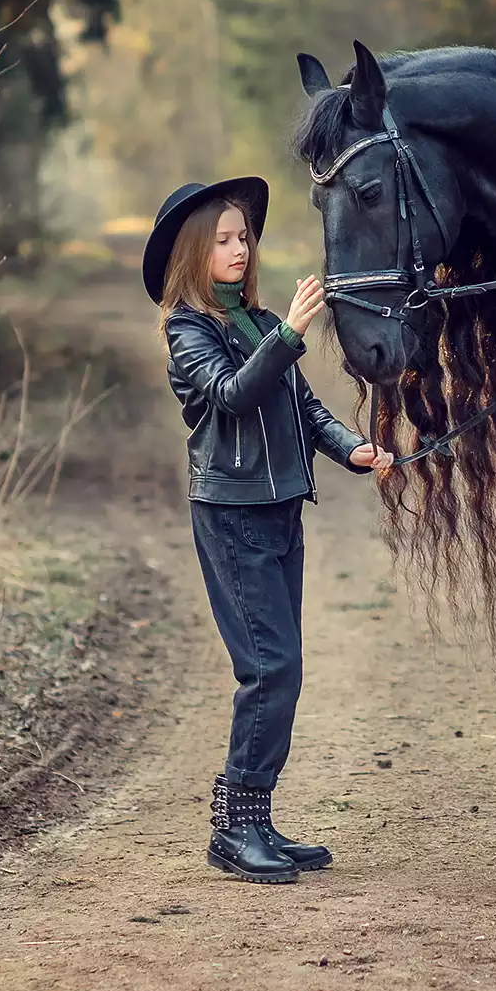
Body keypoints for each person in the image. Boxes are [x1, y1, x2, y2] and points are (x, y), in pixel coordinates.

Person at [143, 176, 393, 884]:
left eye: (244, 236)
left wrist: (352, 449)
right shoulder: (187, 330)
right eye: (222, 239)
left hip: (281, 509)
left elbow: (302, 407)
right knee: (269, 668)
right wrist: (289, 333)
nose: (238, 247)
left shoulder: (252, 322)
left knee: (282, 668)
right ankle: (234, 829)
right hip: (232, 515)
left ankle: (255, 821)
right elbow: (231, 392)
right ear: (194, 252)